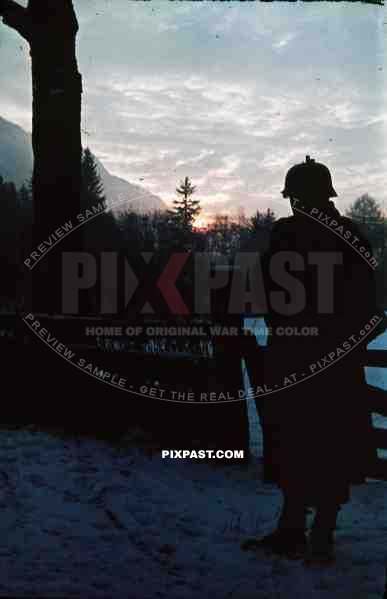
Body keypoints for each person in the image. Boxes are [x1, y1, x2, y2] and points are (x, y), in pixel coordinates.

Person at [253, 156, 386, 562]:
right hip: (320, 361)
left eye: (297, 196)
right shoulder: (346, 235)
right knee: (316, 444)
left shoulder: (296, 235)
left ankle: (310, 531)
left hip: (310, 360)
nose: (295, 203)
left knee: (312, 444)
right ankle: (304, 530)